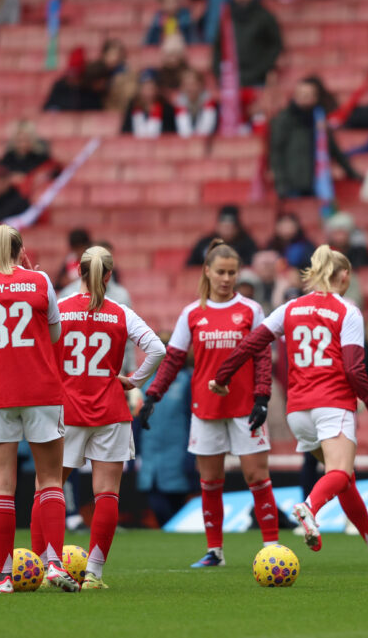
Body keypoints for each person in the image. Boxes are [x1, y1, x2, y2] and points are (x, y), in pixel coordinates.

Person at [210, 245, 368, 565]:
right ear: (344, 275)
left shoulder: (290, 308)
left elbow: (251, 342)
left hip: (298, 410)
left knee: (343, 478)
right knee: (339, 471)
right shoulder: (347, 310)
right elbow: (354, 368)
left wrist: (222, 376)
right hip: (333, 404)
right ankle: (310, 508)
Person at [140, 240, 279, 567]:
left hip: (246, 407)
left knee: (257, 477)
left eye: (232, 272)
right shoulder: (191, 313)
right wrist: (152, 395)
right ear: (207, 271)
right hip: (206, 408)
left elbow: (262, 357)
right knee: (210, 481)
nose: (227, 278)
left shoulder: (251, 310)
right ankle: (215, 551)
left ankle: (272, 547)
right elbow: (172, 360)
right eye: (221, 272)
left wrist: (262, 396)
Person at [0, 224, 76, 593]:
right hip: (41, 390)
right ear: (21, 249)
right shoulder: (41, 281)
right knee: (49, 481)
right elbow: (56, 334)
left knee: (1, 487)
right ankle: (55, 565)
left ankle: (3, 576)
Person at [55, 246, 166, 588]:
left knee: (49, 487)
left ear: (78, 273)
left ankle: (51, 566)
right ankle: (94, 574)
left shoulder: (58, 309)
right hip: (111, 412)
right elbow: (158, 349)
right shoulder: (121, 312)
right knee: (107, 493)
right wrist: (134, 380)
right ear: (108, 276)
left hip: (68, 410)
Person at [269, 78, 361, 198]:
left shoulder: (319, 120)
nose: (303, 98)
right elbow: (276, 151)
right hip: (292, 184)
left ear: (315, 98)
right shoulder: (285, 119)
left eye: (307, 95)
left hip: (315, 183)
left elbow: (333, 150)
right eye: (300, 94)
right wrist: (281, 181)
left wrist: (352, 173)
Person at [137, 348, 197, 526]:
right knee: (156, 502)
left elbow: (193, 417)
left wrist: (190, 454)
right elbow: (136, 419)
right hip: (150, 453)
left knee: (175, 503)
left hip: (178, 452)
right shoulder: (146, 382)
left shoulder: (187, 380)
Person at [212, 0, 283, 89]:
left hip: (258, 78)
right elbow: (218, 46)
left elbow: (276, 45)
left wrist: (262, 69)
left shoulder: (264, 16)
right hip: (230, 78)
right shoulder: (226, 17)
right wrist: (218, 72)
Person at [187, 205, 258, 266]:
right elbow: (191, 266)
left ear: (237, 228)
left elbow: (251, 265)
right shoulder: (205, 243)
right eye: (224, 226)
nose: (226, 230)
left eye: (230, 227)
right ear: (217, 226)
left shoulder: (247, 244)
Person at [122, 70, 178, 139]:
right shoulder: (132, 108)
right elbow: (125, 133)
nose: (147, 92)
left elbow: (171, 134)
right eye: (144, 88)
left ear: (157, 89)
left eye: (150, 88)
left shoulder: (167, 110)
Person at [44, 48, 102, 112]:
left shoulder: (89, 90)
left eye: (77, 76)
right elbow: (48, 107)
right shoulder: (60, 87)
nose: (73, 79)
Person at [87, 38, 136, 112]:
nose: (115, 58)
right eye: (112, 54)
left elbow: (129, 96)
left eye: (118, 54)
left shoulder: (127, 74)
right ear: (104, 55)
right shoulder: (96, 71)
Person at [174, 69, 218, 137]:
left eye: (193, 84)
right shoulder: (178, 103)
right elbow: (184, 131)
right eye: (186, 85)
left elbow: (206, 129)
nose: (190, 88)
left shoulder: (210, 102)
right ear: (181, 87)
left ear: (201, 85)